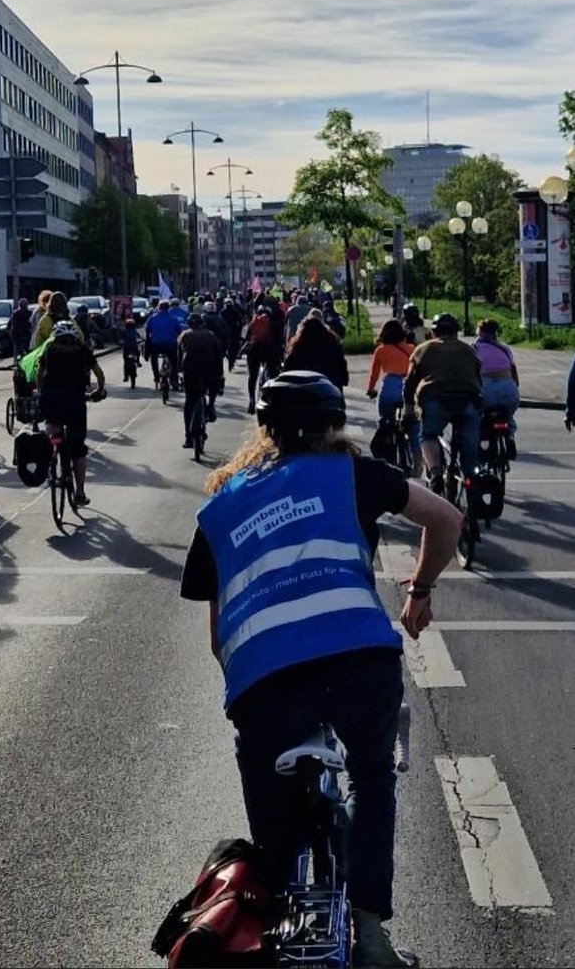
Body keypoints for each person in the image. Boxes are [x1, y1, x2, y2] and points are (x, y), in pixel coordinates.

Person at [180, 370, 462, 969]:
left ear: (264, 429)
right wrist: (420, 590)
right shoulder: (353, 473)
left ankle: (276, 900)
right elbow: (447, 521)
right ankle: (371, 935)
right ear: (335, 423)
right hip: (360, 663)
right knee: (370, 776)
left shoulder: (220, 509)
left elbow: (216, 637)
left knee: (268, 792)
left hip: (266, 682)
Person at [402, 312, 482, 492]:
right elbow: (478, 380)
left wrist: (408, 411)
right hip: (467, 399)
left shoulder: (424, 348)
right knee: (469, 447)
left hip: (436, 398)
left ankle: (436, 473)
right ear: (456, 332)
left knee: (428, 435)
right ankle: (471, 478)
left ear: (433, 332)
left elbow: (410, 384)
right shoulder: (468, 349)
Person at [35, 320, 106, 507]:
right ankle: (80, 493)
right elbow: (99, 374)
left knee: (52, 423)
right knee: (78, 449)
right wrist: (99, 390)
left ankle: (52, 450)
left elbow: (39, 373)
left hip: (51, 399)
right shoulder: (82, 351)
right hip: (75, 400)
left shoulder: (49, 350)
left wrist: (40, 391)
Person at [367, 319, 422, 474]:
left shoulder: (381, 350)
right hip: (409, 388)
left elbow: (374, 374)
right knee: (414, 428)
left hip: (389, 387)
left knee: (385, 423)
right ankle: (418, 468)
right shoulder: (412, 349)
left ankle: (386, 462)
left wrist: (371, 389)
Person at [472, 318, 519, 459]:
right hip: (508, 388)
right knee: (507, 416)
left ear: (479, 332)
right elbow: (514, 371)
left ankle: (481, 445)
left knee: (476, 416)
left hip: (485, 387)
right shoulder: (504, 348)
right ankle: (509, 437)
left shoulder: (473, 348)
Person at [178, 312, 223, 446]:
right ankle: (210, 406)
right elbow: (218, 356)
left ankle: (188, 436)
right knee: (213, 388)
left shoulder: (183, 335)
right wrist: (220, 373)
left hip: (190, 372)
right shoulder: (210, 335)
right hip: (209, 371)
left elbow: (178, 356)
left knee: (189, 402)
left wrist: (179, 371)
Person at [283, 315, 349, 391]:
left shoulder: (296, 351)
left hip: (304, 392)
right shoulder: (334, 348)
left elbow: (286, 374)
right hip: (330, 391)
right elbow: (344, 375)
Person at [241, 305, 282, 414]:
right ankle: (272, 399)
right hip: (269, 351)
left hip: (254, 350)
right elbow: (279, 339)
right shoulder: (273, 323)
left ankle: (251, 399)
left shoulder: (253, 322)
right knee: (273, 373)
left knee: (252, 376)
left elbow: (245, 337)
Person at [145, 299, 185, 389]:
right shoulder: (173, 318)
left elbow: (147, 329)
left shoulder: (153, 317)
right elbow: (179, 330)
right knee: (174, 361)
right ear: (168, 308)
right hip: (170, 345)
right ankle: (174, 379)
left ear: (159, 307)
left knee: (154, 359)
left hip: (156, 345)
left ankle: (156, 377)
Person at [121, 317, 141, 383]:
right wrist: (142, 339)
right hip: (133, 347)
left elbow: (121, 339)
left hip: (126, 348)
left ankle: (125, 376)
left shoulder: (124, 331)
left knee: (126, 362)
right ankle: (138, 362)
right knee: (138, 353)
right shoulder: (134, 331)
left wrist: (121, 342)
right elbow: (139, 337)